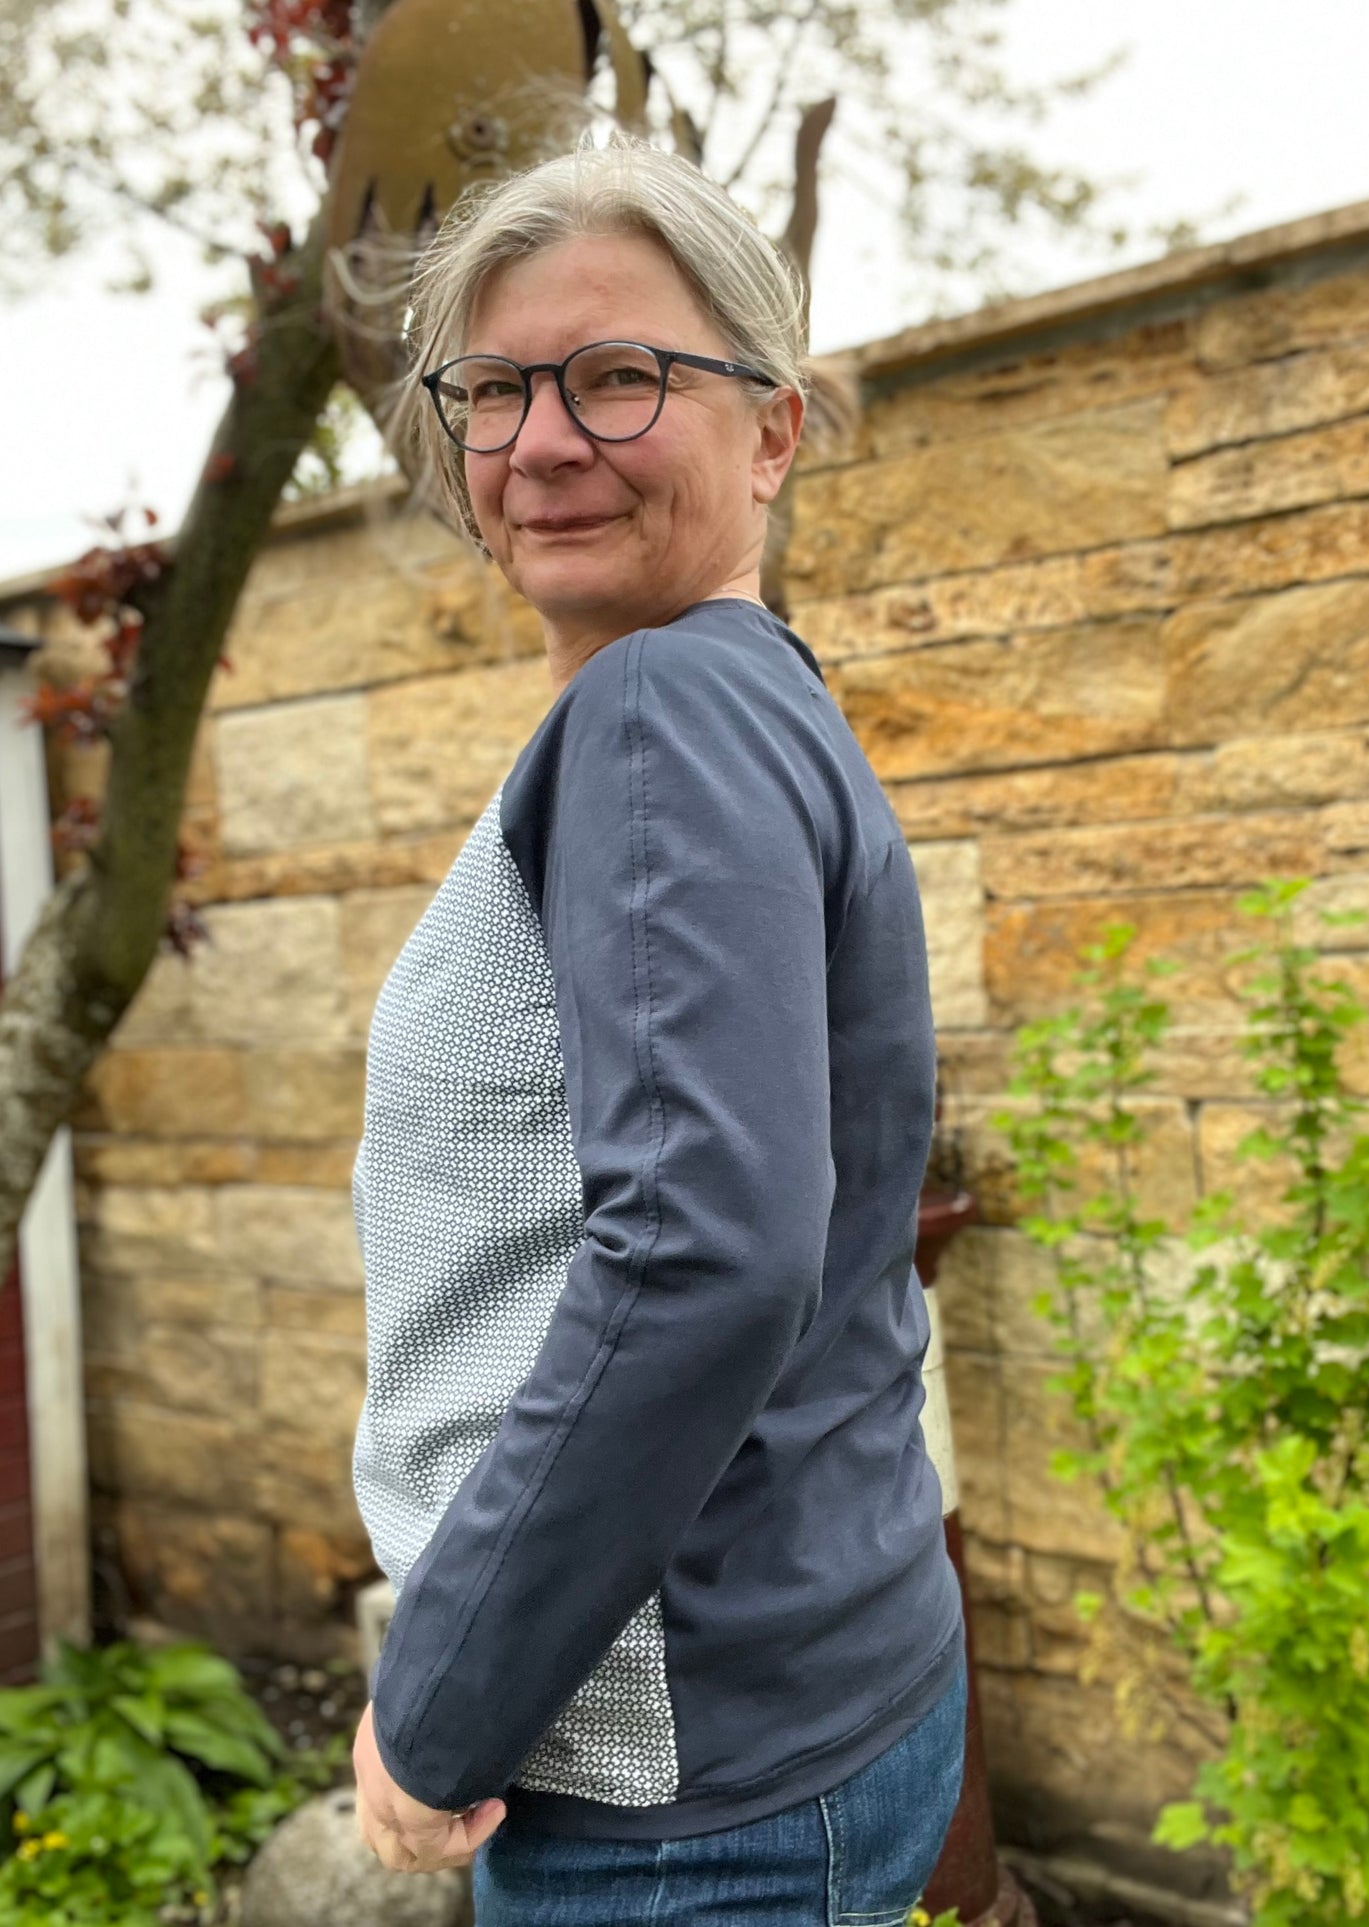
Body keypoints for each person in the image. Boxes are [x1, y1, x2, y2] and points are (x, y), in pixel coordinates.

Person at [347, 136, 967, 1927]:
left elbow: (700, 1251)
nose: (541, 440)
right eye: (494, 389)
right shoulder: (753, 703)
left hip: (679, 1796)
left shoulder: (660, 712)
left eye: (619, 375)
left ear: (771, 432)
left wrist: (442, 1699)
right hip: (822, 1695)